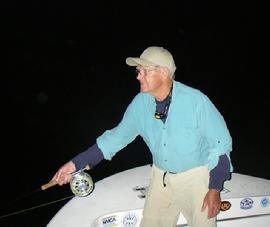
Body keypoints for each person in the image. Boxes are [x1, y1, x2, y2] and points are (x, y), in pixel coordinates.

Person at [51, 46, 233, 227]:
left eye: (144, 72)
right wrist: (75, 165)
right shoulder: (141, 103)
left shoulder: (196, 101)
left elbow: (220, 146)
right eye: (138, 71)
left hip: (195, 179)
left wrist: (215, 187)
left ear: (163, 73)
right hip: (161, 177)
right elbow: (115, 139)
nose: (138, 76)